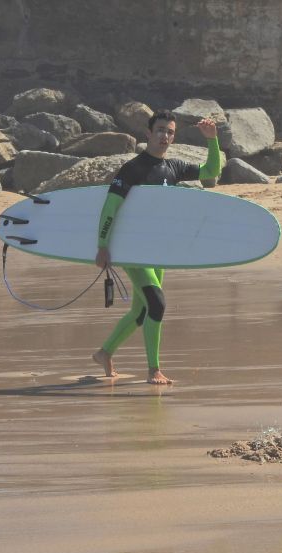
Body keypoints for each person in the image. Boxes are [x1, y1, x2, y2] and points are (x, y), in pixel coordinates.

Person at [92, 111, 222, 384]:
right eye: (160, 130)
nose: (165, 135)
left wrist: (212, 140)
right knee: (157, 303)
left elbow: (211, 172)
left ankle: (104, 353)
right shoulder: (132, 169)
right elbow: (110, 207)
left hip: (157, 252)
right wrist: (103, 245)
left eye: (170, 132)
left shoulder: (173, 168)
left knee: (141, 312)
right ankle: (154, 370)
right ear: (148, 133)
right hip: (133, 250)